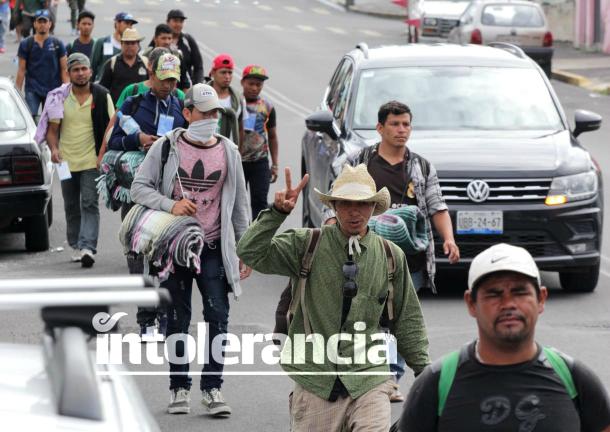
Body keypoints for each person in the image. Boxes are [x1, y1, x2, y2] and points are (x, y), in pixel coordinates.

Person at [237, 163, 430, 432]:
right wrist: (276, 214)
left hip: (369, 379)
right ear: (335, 207)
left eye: (362, 204)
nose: (354, 211)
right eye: (346, 203)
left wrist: (425, 373)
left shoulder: (390, 256)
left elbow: (407, 318)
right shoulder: (307, 244)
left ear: (373, 207)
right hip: (316, 381)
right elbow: (250, 252)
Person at [322, 100, 459, 401]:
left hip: (409, 258)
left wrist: (448, 238)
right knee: (374, 314)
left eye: (406, 124)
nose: (402, 130)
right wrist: (330, 235)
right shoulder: (359, 162)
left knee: (399, 316)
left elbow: (436, 205)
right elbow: (336, 201)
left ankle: (390, 376)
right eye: (395, 124)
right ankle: (375, 373)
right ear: (380, 128)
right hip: (365, 253)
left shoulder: (421, 166)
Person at [130, 83, 251, 417]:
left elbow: (240, 204)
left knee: (218, 317)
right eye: (204, 112)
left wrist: (245, 250)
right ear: (187, 113)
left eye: (215, 113)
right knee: (177, 318)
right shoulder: (166, 148)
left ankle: (212, 389)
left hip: (212, 247)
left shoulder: (229, 151)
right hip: (174, 248)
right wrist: (170, 204)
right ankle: (178, 386)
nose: (210, 119)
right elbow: (139, 187)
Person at [397, 243, 610, 431]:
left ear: (541, 299)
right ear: (471, 303)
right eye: (494, 293)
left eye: (520, 292)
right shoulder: (437, 383)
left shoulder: (575, 379)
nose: (508, 303)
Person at [108, 51, 186, 338]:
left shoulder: (180, 106)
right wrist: (137, 139)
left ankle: (165, 317)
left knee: (164, 255)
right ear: (151, 75)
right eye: (164, 79)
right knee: (136, 253)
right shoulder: (133, 102)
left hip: (166, 194)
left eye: (173, 80)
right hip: (135, 192)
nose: (168, 85)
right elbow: (114, 140)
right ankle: (144, 320)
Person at [45, 53, 114, 267]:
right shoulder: (60, 97)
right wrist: (54, 149)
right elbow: (52, 130)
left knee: (90, 202)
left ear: (91, 72)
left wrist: (102, 154)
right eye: (76, 70)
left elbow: (111, 127)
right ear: (69, 73)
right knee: (71, 204)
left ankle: (87, 247)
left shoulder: (102, 95)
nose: (81, 73)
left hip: (91, 160)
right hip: (65, 161)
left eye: (84, 69)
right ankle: (75, 243)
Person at [240, 64, 279, 219]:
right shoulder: (235, 102)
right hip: (238, 162)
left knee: (260, 203)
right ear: (242, 82)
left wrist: (274, 164)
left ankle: (258, 239)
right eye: (251, 84)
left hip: (260, 163)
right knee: (238, 204)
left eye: (259, 84)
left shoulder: (267, 107)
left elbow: (273, 136)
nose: (255, 88)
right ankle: (239, 239)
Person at [15, 9, 67, 118]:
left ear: (50, 24)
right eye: (39, 22)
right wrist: (17, 93)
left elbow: (64, 69)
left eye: (45, 22)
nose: (42, 24)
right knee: (30, 118)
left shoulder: (58, 44)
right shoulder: (26, 44)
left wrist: (67, 90)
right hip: (32, 90)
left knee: (52, 122)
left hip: (53, 90)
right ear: (34, 24)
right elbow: (21, 70)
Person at [99, 27, 148, 104]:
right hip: (117, 109)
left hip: (140, 109)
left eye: (133, 43)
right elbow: (103, 89)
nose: (130, 46)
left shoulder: (146, 63)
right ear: (121, 44)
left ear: (138, 45)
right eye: (127, 43)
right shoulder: (112, 63)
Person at [208, 53, 245, 149]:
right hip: (205, 150)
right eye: (223, 72)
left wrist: (238, 155)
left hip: (229, 152)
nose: (227, 76)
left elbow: (240, 129)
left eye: (230, 72)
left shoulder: (238, 99)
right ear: (213, 73)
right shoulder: (201, 94)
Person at [90, 11, 137, 80]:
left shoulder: (134, 46)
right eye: (126, 23)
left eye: (131, 25)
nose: (129, 27)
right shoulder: (102, 42)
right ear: (117, 23)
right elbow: (92, 66)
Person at [143, 23, 190, 90]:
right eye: (163, 38)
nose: (167, 42)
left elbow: (185, 84)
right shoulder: (146, 56)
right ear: (155, 39)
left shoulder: (177, 56)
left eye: (169, 38)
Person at [166, 9, 203, 90]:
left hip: (185, 88)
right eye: (175, 21)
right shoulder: (161, 40)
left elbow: (198, 66)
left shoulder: (188, 40)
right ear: (167, 22)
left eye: (181, 22)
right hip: (164, 88)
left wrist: (197, 86)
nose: (178, 24)